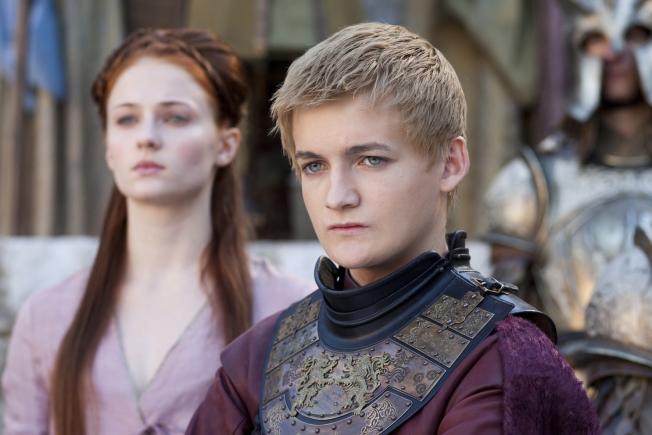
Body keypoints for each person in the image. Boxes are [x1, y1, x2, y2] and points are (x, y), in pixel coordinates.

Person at [185, 23, 599, 434]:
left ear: (450, 164)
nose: (337, 196)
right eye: (314, 166)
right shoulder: (257, 359)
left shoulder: (499, 356)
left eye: (371, 160)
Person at [2, 28, 309, 435]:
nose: (146, 138)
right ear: (109, 146)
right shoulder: (47, 316)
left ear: (226, 144)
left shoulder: (289, 310)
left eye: (175, 117)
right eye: (126, 119)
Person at [484, 2, 652, 432]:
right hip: (573, 411)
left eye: (638, 35)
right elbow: (506, 328)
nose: (615, 53)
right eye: (596, 38)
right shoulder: (533, 183)